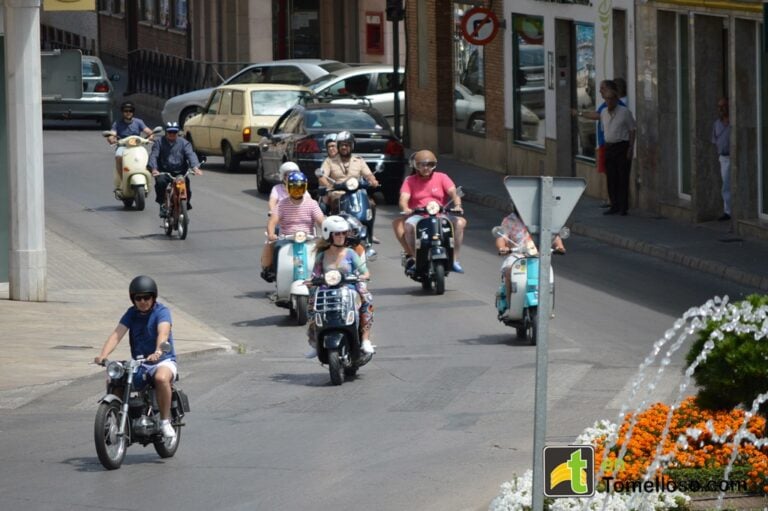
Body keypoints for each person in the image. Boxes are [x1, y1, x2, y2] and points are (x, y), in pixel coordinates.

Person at [93, 276, 178, 439]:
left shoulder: (162, 312)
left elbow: (163, 333)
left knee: (161, 378)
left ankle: (165, 421)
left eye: (147, 297)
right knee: (114, 378)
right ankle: (116, 417)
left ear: (153, 297)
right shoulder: (131, 314)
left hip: (163, 360)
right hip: (139, 363)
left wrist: (158, 352)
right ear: (133, 299)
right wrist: (103, 355)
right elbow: (117, 335)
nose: (143, 301)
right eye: (138, 298)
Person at [305, 215, 375, 358]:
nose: (341, 236)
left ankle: (366, 340)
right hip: (326, 289)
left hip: (349, 288)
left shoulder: (350, 253)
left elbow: (365, 271)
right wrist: (310, 281)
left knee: (367, 299)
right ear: (329, 235)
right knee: (312, 306)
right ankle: (315, 343)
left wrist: (363, 276)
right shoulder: (322, 255)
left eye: (344, 233)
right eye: (337, 233)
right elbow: (315, 274)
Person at [393, 149, 467, 273]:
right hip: (419, 215)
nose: (426, 168)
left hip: (440, 214)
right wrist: (405, 208)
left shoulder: (442, 177)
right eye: (422, 165)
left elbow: (453, 192)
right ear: (416, 166)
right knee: (409, 227)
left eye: (429, 165)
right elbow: (403, 198)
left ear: (434, 165)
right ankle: (415, 257)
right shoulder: (409, 180)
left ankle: (454, 259)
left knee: (459, 223)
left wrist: (458, 205)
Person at [260, 171, 325, 282]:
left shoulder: (312, 204)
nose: (297, 190)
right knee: (274, 247)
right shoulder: (281, 204)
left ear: (305, 187)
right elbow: (272, 222)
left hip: (308, 239)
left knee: (324, 250)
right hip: (287, 239)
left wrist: (326, 231)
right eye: (293, 187)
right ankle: (273, 271)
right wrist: (271, 234)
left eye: (300, 187)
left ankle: (322, 275)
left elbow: (321, 221)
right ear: (287, 187)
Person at [149, 122, 202, 217]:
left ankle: (185, 204)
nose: (172, 134)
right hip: (164, 172)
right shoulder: (159, 142)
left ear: (177, 133)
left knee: (186, 186)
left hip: (180, 172)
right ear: (166, 132)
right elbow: (154, 156)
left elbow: (191, 155)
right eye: (170, 132)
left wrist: (195, 167)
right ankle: (163, 205)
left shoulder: (184, 143)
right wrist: (154, 169)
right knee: (160, 183)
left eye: (174, 132)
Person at [600, 89, 636, 216]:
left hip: (622, 146)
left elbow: (632, 129)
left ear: (616, 99)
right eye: (607, 99)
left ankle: (623, 207)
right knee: (611, 178)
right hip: (609, 147)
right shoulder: (603, 112)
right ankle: (614, 205)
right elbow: (604, 130)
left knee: (622, 177)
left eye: (611, 99)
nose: (609, 102)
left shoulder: (625, 112)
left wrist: (631, 148)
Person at [106, 101, 155, 192]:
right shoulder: (117, 123)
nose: (128, 113)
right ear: (122, 112)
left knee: (146, 156)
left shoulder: (139, 122)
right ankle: (122, 179)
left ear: (133, 112)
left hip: (137, 146)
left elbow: (149, 132)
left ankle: (146, 178)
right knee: (118, 156)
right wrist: (111, 138)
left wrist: (151, 136)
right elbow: (112, 134)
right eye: (126, 111)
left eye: (130, 110)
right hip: (123, 146)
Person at [711, 97, 731, 221]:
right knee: (726, 185)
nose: (721, 109)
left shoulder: (733, 122)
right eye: (719, 107)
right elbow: (715, 140)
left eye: (724, 106)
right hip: (724, 158)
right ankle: (728, 211)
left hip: (734, 156)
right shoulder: (716, 124)